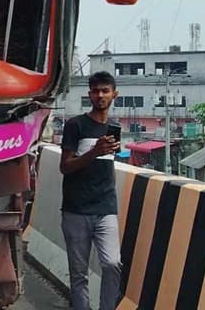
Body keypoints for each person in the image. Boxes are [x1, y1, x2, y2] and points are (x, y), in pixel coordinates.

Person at [60, 71, 122, 310]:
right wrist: (93, 152)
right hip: (76, 209)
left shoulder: (114, 128)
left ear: (114, 94)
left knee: (112, 263)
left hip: (106, 207)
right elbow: (65, 166)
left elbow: (110, 166)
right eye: (95, 91)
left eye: (105, 90)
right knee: (79, 273)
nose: (100, 95)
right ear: (89, 95)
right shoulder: (75, 125)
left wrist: (110, 192)